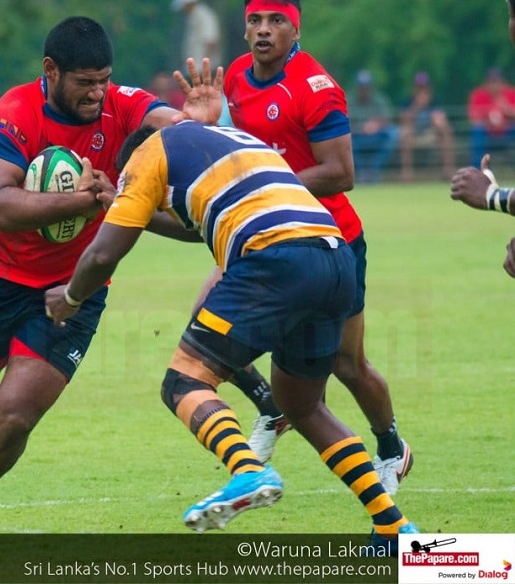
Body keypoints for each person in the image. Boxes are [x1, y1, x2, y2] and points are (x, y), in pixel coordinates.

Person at [45, 120, 418, 550]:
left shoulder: (145, 157)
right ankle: (393, 528)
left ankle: (248, 470)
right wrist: (137, 210)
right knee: (303, 405)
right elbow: (195, 224)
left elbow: (103, 253)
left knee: (184, 381)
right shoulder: (226, 140)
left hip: (275, 258)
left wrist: (70, 297)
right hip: (335, 258)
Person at [0, 16, 222, 546]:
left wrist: (194, 126)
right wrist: (85, 202)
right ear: (51, 70)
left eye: (103, 79)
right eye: (85, 82)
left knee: (18, 414)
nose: (97, 92)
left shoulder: (120, 104)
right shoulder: (12, 114)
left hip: (75, 288)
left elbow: (166, 121)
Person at [210, 0, 413, 497]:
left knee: (347, 364)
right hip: (265, 236)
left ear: (295, 28)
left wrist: (266, 187)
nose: (263, 30)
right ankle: (270, 407)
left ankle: (391, 448)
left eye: (276, 20)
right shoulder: (234, 78)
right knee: (209, 329)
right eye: (255, 20)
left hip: (331, 243)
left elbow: (341, 172)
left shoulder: (316, 87)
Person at [449, 0, 515, 279]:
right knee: (478, 133)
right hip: (489, 133)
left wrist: (491, 195)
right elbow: (476, 117)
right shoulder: (480, 95)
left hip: (506, 132)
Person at [398, 71, 456, 181]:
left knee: (446, 130)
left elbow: (442, 120)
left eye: (424, 88)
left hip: (431, 133)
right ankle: (406, 173)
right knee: (405, 133)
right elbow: (403, 121)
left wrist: (436, 121)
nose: (422, 91)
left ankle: (447, 170)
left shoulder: (435, 102)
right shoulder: (407, 102)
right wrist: (417, 107)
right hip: (414, 134)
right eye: (419, 88)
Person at [348, 70, 400, 184]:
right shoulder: (349, 100)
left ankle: (373, 170)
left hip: (377, 136)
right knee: (344, 139)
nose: (364, 90)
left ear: (370, 87)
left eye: (366, 87)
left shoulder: (380, 99)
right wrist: (362, 127)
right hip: (357, 137)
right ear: (357, 87)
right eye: (361, 87)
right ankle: (362, 171)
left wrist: (376, 125)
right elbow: (345, 121)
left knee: (393, 133)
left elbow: (388, 119)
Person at [467, 67, 515, 168]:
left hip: (507, 133)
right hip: (487, 134)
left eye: (497, 82)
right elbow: (473, 119)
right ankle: (477, 169)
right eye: (491, 82)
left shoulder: (511, 93)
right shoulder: (479, 94)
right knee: (478, 130)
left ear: (502, 82)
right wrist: (486, 118)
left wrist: (506, 109)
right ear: (486, 83)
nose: (494, 86)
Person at [171, 0, 222, 70]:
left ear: (189, 3)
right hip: (196, 68)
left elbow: (211, 41)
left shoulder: (205, 15)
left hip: (203, 69)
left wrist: (205, 67)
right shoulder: (193, 17)